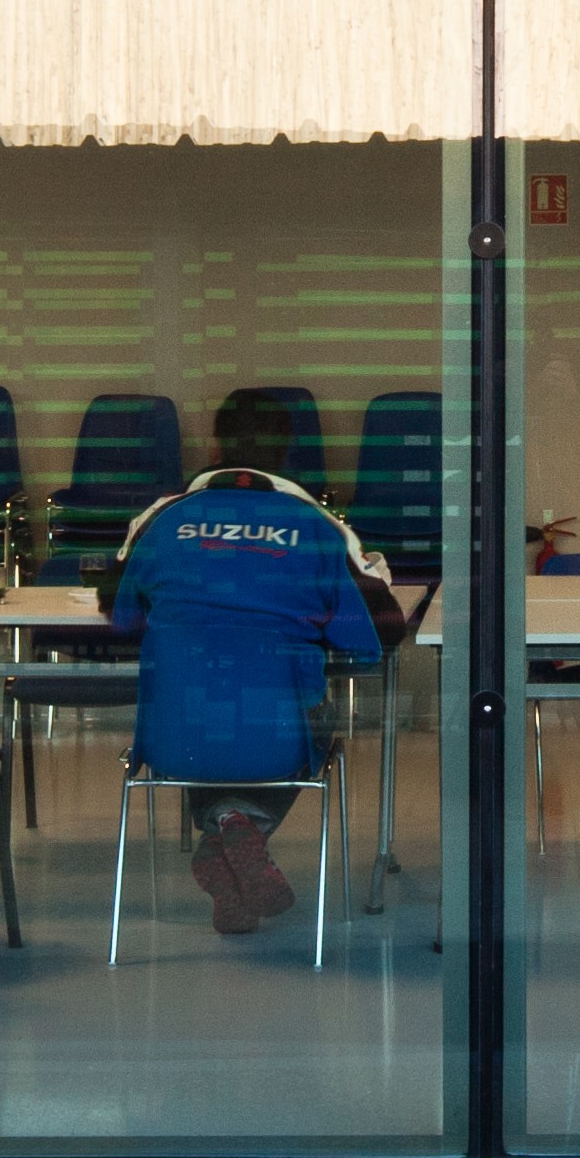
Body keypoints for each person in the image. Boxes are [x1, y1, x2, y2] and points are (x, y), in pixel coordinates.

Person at [110, 393, 392, 934]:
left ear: (215, 448)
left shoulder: (165, 521)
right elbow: (365, 647)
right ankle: (242, 824)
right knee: (309, 719)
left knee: (206, 709)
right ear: (286, 453)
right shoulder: (311, 525)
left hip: (173, 737)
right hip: (275, 738)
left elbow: (125, 622)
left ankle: (223, 825)